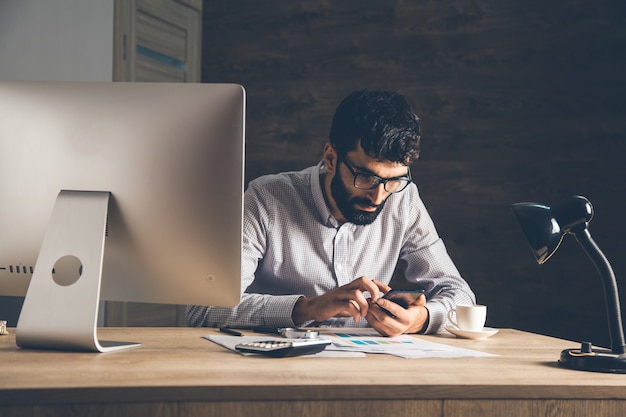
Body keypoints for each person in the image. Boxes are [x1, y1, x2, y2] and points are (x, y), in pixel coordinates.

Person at [186, 90, 475, 336]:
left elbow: (461, 296)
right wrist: (308, 308)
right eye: (366, 177)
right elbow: (202, 308)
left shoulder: (404, 200)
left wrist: (421, 319)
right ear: (331, 157)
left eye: (393, 180)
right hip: (274, 367)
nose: (378, 196)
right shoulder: (267, 198)